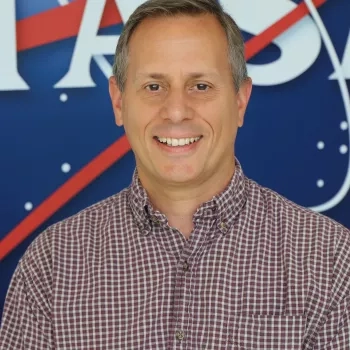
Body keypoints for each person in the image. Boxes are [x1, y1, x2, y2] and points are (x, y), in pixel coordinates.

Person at [1, 0, 350, 348]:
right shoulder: (52, 263)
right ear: (119, 102)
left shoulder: (329, 259)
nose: (177, 111)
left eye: (201, 86)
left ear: (240, 101)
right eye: (154, 86)